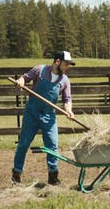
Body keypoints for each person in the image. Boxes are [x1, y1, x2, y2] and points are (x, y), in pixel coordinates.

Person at [11, 51, 76, 185]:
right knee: (23, 144)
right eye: (66, 64)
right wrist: (20, 82)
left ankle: (53, 177)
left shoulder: (64, 80)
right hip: (32, 114)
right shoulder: (39, 70)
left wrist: (69, 110)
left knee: (53, 146)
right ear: (57, 62)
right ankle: (16, 174)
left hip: (49, 116)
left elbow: (67, 99)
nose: (67, 67)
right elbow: (25, 78)